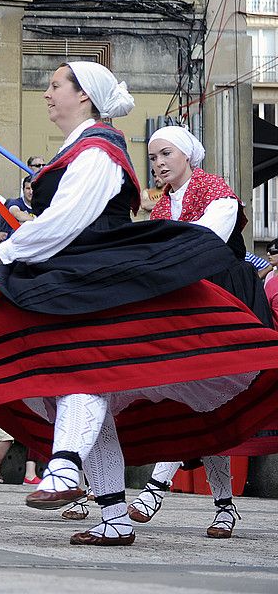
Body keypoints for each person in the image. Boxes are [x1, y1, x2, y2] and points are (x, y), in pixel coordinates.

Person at [0, 61, 278, 547]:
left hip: (101, 279)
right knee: (91, 389)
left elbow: (68, 221)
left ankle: (65, 469)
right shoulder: (87, 152)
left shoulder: (99, 152)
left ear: (83, 96)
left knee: (82, 374)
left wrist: (7, 247)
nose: (46, 94)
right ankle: (113, 516)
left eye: (54, 85)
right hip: (87, 274)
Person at [127, 124, 274, 540]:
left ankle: (155, 491)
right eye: (153, 157)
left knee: (206, 397)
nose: (157, 163)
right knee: (196, 399)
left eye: (165, 154)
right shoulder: (160, 208)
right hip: (186, 302)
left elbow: (206, 238)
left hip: (225, 299)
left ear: (188, 155)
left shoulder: (215, 189)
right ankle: (223, 507)